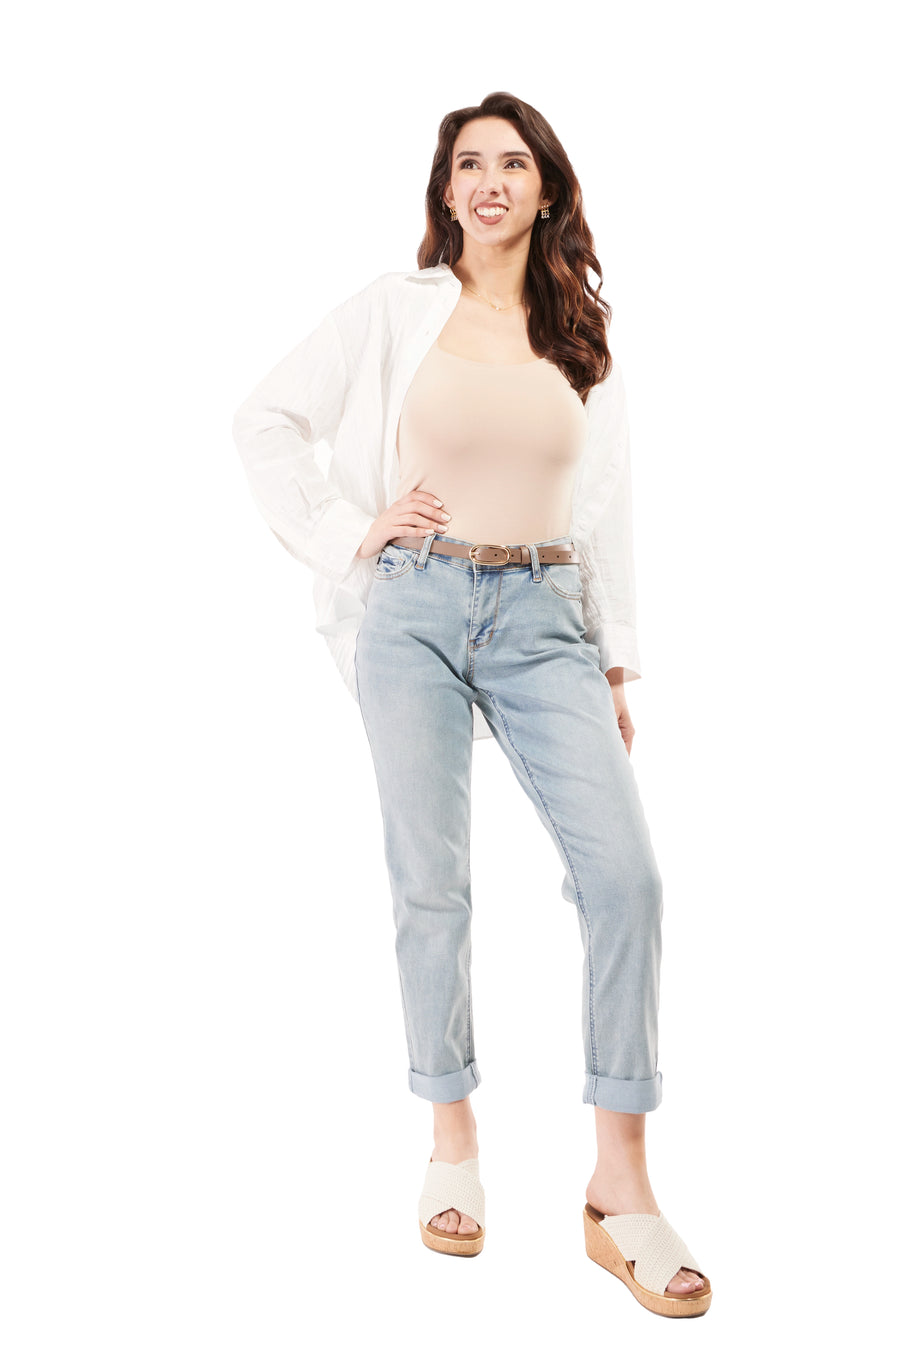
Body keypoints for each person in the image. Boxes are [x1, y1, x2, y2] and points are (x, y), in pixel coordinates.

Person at [232, 90, 712, 1318]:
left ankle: (618, 1188)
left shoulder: (579, 332)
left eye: (513, 164)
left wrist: (612, 664)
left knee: (627, 880)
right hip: (415, 612)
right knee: (431, 881)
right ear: (446, 190)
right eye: (468, 164)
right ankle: (452, 1139)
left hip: (546, 618)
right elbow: (265, 419)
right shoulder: (396, 308)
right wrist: (351, 531)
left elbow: (606, 508)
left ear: (546, 190)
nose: (489, 181)